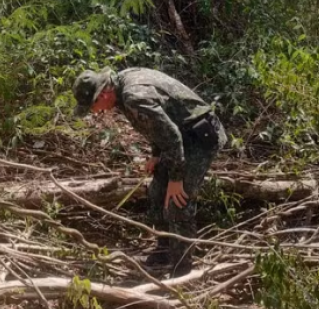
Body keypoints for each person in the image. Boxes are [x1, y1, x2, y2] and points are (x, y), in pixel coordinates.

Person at [72, 67, 227, 277]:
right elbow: (159, 126)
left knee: (177, 202)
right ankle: (164, 249)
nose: (95, 111)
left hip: (199, 137)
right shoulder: (122, 84)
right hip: (180, 137)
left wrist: (176, 178)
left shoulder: (134, 96)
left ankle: (182, 267)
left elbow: (171, 135)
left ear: (104, 94)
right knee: (156, 192)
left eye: (94, 105)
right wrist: (156, 155)